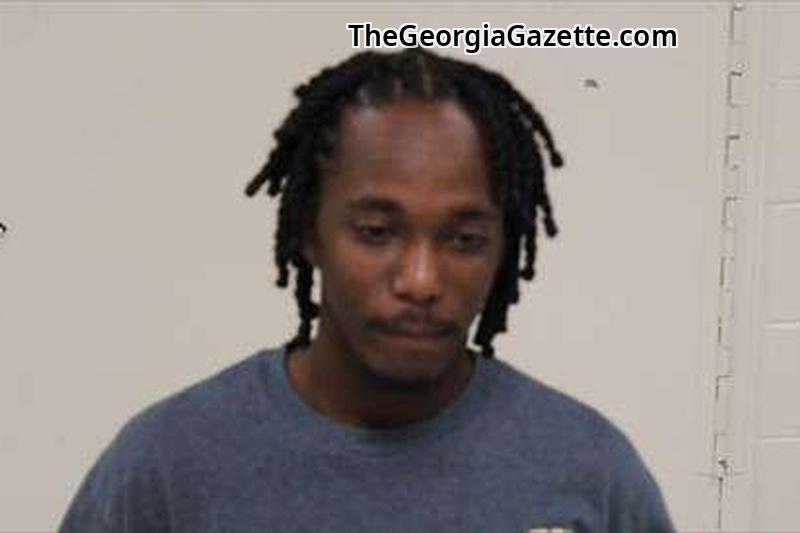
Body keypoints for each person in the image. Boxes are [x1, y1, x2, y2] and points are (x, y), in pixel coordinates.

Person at [59, 48, 675, 533]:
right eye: (377, 232)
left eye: (464, 240)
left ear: (502, 250)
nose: (420, 280)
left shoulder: (588, 472)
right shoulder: (168, 468)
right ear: (310, 232)